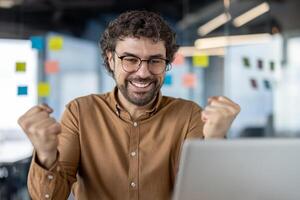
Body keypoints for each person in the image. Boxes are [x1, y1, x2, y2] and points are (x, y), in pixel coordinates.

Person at [18, 10, 240, 200]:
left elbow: (203, 194)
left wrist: (215, 143)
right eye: (130, 59)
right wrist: (46, 154)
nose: (143, 72)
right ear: (111, 59)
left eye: (155, 61)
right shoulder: (80, 112)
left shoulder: (189, 114)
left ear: (167, 63)